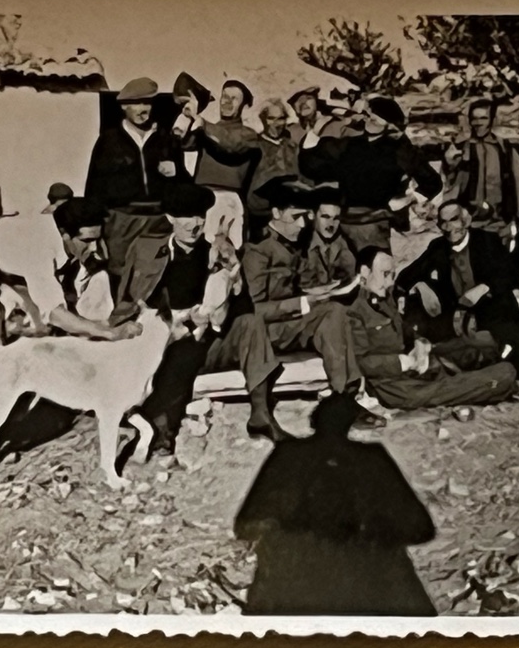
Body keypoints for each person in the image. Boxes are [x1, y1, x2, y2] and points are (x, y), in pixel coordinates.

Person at [114, 181, 287, 456]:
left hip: (209, 340)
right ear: (170, 217)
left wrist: (233, 279)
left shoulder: (217, 255)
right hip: (160, 337)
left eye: (200, 216)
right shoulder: (146, 250)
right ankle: (161, 431)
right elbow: (125, 300)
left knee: (250, 324)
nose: (194, 224)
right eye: (186, 216)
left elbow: (242, 309)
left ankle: (261, 415)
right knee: (180, 350)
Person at [234, 393, 437, 616]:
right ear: (351, 423)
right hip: (369, 591)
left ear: (314, 421)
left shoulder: (290, 456)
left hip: (294, 591)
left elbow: (246, 526)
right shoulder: (370, 459)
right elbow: (420, 529)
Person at [396, 200, 519, 410]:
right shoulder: (437, 247)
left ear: (466, 220)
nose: (449, 228)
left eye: (454, 220)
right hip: (460, 314)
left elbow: (510, 275)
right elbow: (407, 276)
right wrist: (415, 288)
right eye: (443, 222)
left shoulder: (486, 241)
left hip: (495, 308)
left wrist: (484, 287)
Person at [242, 177, 382, 426]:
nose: (303, 223)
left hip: (289, 325)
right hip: (264, 335)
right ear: (276, 213)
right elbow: (253, 312)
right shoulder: (258, 250)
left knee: (334, 311)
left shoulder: (292, 244)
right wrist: (303, 302)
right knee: (330, 312)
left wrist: (316, 293)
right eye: (296, 216)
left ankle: (345, 397)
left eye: (305, 216)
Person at [0, 197, 142, 359]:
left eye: (97, 239)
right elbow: (56, 314)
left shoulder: (65, 233)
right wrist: (109, 333)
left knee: (46, 325)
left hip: (12, 244)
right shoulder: (39, 253)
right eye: (86, 241)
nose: (94, 248)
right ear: (64, 235)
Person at [348, 247, 517, 410]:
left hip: (415, 365)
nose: (390, 282)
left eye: (392, 275)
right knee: (501, 374)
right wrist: (403, 362)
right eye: (385, 274)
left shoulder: (383, 297)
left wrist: (419, 342)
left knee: (477, 346)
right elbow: (358, 362)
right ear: (365, 272)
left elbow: (402, 329)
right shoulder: (352, 310)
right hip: (392, 385)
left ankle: (485, 373)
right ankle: (493, 382)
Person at [299, 96, 441, 251]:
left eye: (374, 120)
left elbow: (432, 182)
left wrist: (409, 199)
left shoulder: (401, 150)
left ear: (389, 126)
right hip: (344, 222)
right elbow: (310, 168)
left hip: (377, 223)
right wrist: (315, 131)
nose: (367, 121)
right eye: (367, 116)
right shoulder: (351, 144)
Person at [83, 77, 189, 284]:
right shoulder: (109, 141)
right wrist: (94, 230)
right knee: (120, 275)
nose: (142, 109)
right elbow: (95, 186)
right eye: (136, 103)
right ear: (124, 106)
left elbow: (184, 182)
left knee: (157, 275)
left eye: (147, 103)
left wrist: (177, 172)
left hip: (159, 220)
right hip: (121, 220)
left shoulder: (166, 139)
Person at [184, 79, 261, 249]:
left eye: (234, 98)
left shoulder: (248, 135)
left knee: (231, 251)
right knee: (201, 251)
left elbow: (230, 146)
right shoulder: (207, 129)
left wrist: (201, 122)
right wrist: (188, 115)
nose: (227, 101)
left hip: (228, 200)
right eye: (224, 96)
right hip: (202, 197)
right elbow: (185, 143)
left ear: (243, 105)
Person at [246, 98, 306, 240]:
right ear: (263, 120)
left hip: (290, 213)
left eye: (280, 119)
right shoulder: (254, 145)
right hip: (261, 213)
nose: (276, 124)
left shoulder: (292, 146)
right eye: (271, 118)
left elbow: (301, 175)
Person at [463, 98, 519, 233]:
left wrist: (517, 216)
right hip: (471, 220)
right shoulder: (464, 148)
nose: (478, 123)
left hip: (499, 220)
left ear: (493, 120)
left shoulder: (504, 148)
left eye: (483, 118)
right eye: (474, 119)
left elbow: (517, 182)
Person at [298, 184, 357, 289]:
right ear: (312, 215)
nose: (331, 224)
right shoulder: (300, 245)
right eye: (325, 217)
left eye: (336, 218)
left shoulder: (346, 246)